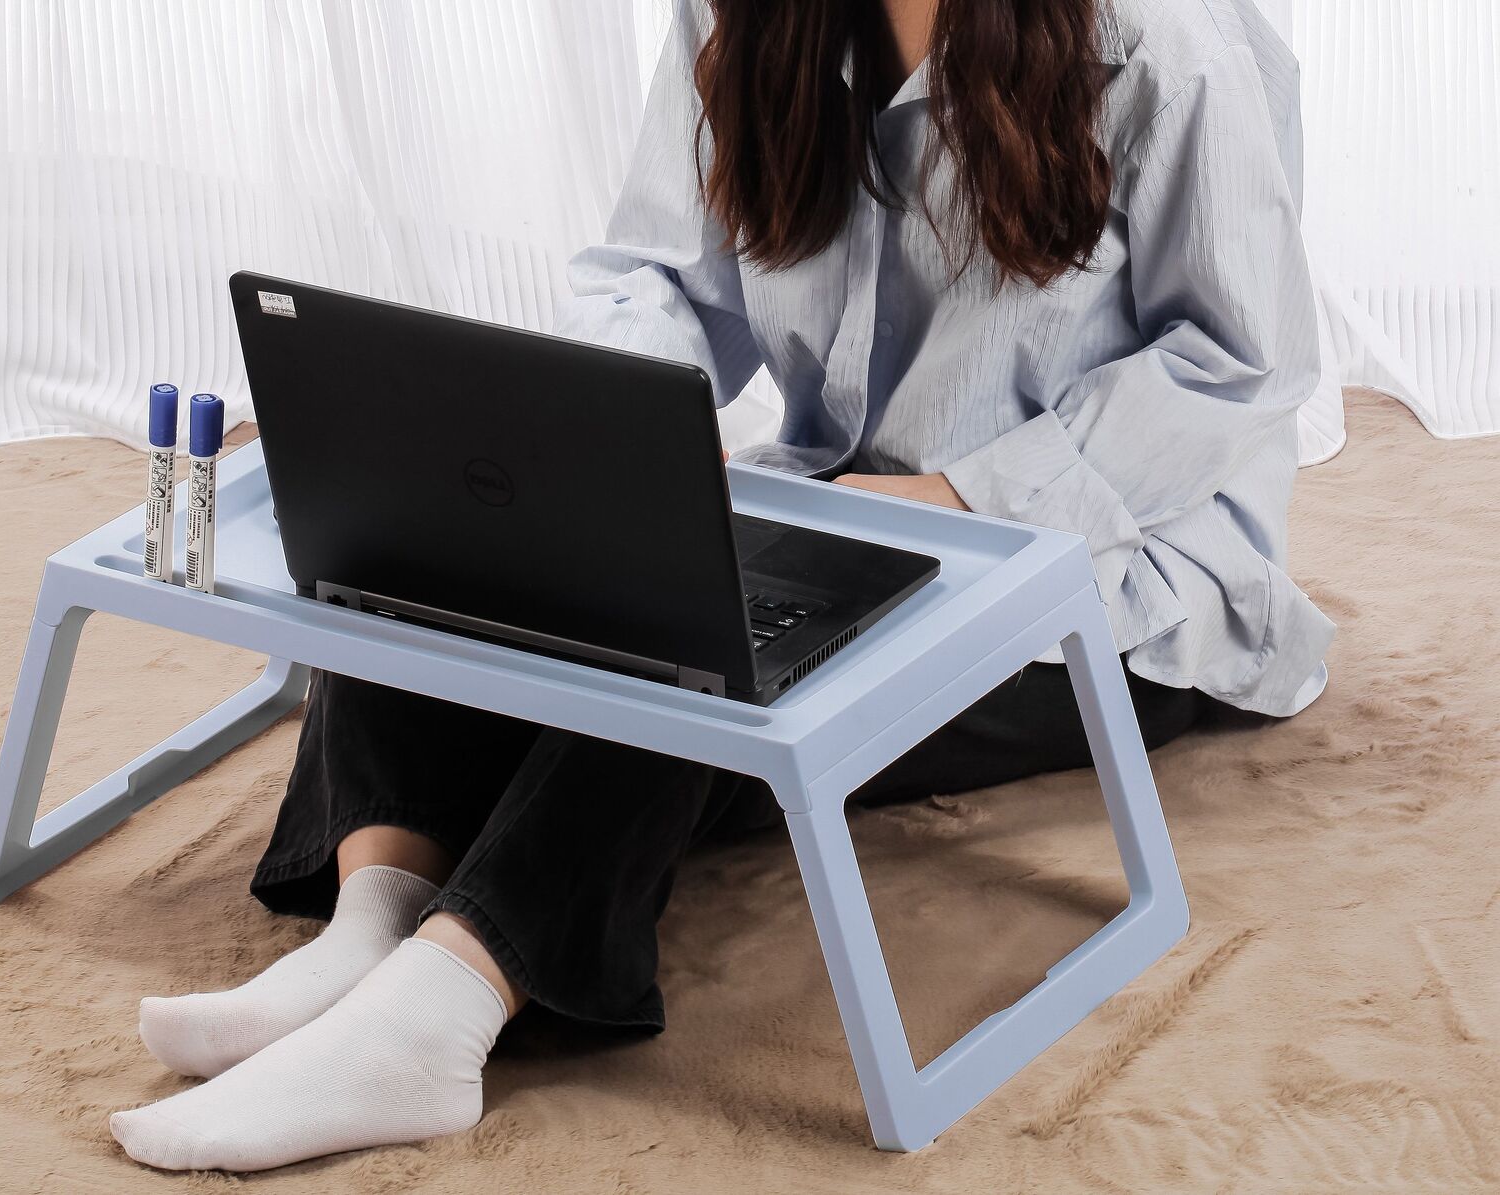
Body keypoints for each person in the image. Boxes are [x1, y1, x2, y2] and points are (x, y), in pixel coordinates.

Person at [109, 0, 1334, 1171]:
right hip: (842, 505)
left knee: (712, 636)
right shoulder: (744, 15)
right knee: (442, 550)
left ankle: (438, 1014)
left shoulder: (1164, 41)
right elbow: (658, 278)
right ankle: (371, 921)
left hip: (1112, 576)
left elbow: (1240, 361)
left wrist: (954, 499)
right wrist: (611, 448)